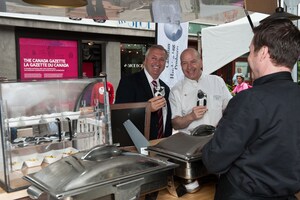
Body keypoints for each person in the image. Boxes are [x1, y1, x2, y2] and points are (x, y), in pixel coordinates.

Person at [202, 18, 300, 200]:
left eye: (250, 51)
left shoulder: (248, 100)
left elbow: (214, 161)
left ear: (263, 53)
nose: (248, 58)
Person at [115, 44, 172, 140]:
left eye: (162, 59)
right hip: (136, 145)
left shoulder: (165, 88)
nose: (157, 63)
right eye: (154, 58)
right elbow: (119, 116)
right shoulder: (129, 82)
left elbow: (166, 120)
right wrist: (146, 109)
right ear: (145, 60)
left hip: (162, 146)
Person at [169, 48, 232, 134]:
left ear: (201, 62)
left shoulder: (217, 81)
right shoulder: (176, 90)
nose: (189, 67)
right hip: (189, 142)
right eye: (184, 63)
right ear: (181, 66)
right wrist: (191, 116)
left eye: (193, 61)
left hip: (216, 139)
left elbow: (230, 108)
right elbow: (175, 124)